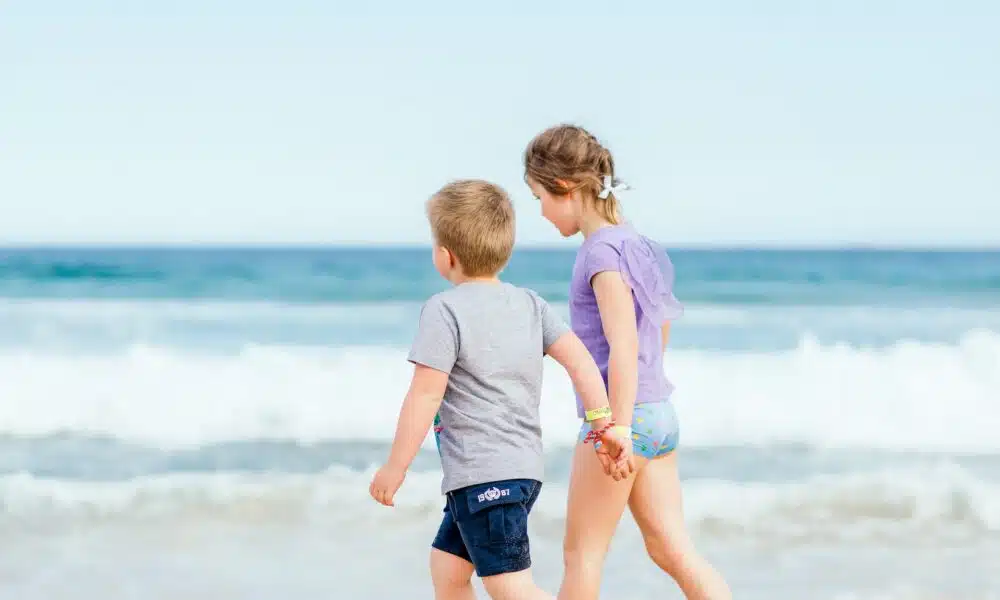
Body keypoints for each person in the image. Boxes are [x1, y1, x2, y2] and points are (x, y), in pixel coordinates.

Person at [369, 179, 629, 600]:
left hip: (484, 476)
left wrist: (395, 468)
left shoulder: (444, 310)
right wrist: (603, 422)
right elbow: (580, 360)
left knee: (510, 588)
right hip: (517, 473)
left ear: (444, 255)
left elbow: (424, 395)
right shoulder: (530, 303)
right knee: (448, 570)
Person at [524, 124, 733, 600]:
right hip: (659, 413)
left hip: (624, 422)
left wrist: (615, 425)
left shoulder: (598, 253)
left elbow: (621, 345)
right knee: (672, 550)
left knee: (583, 556)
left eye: (539, 197)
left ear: (566, 189)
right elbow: (658, 328)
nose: (539, 211)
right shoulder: (633, 241)